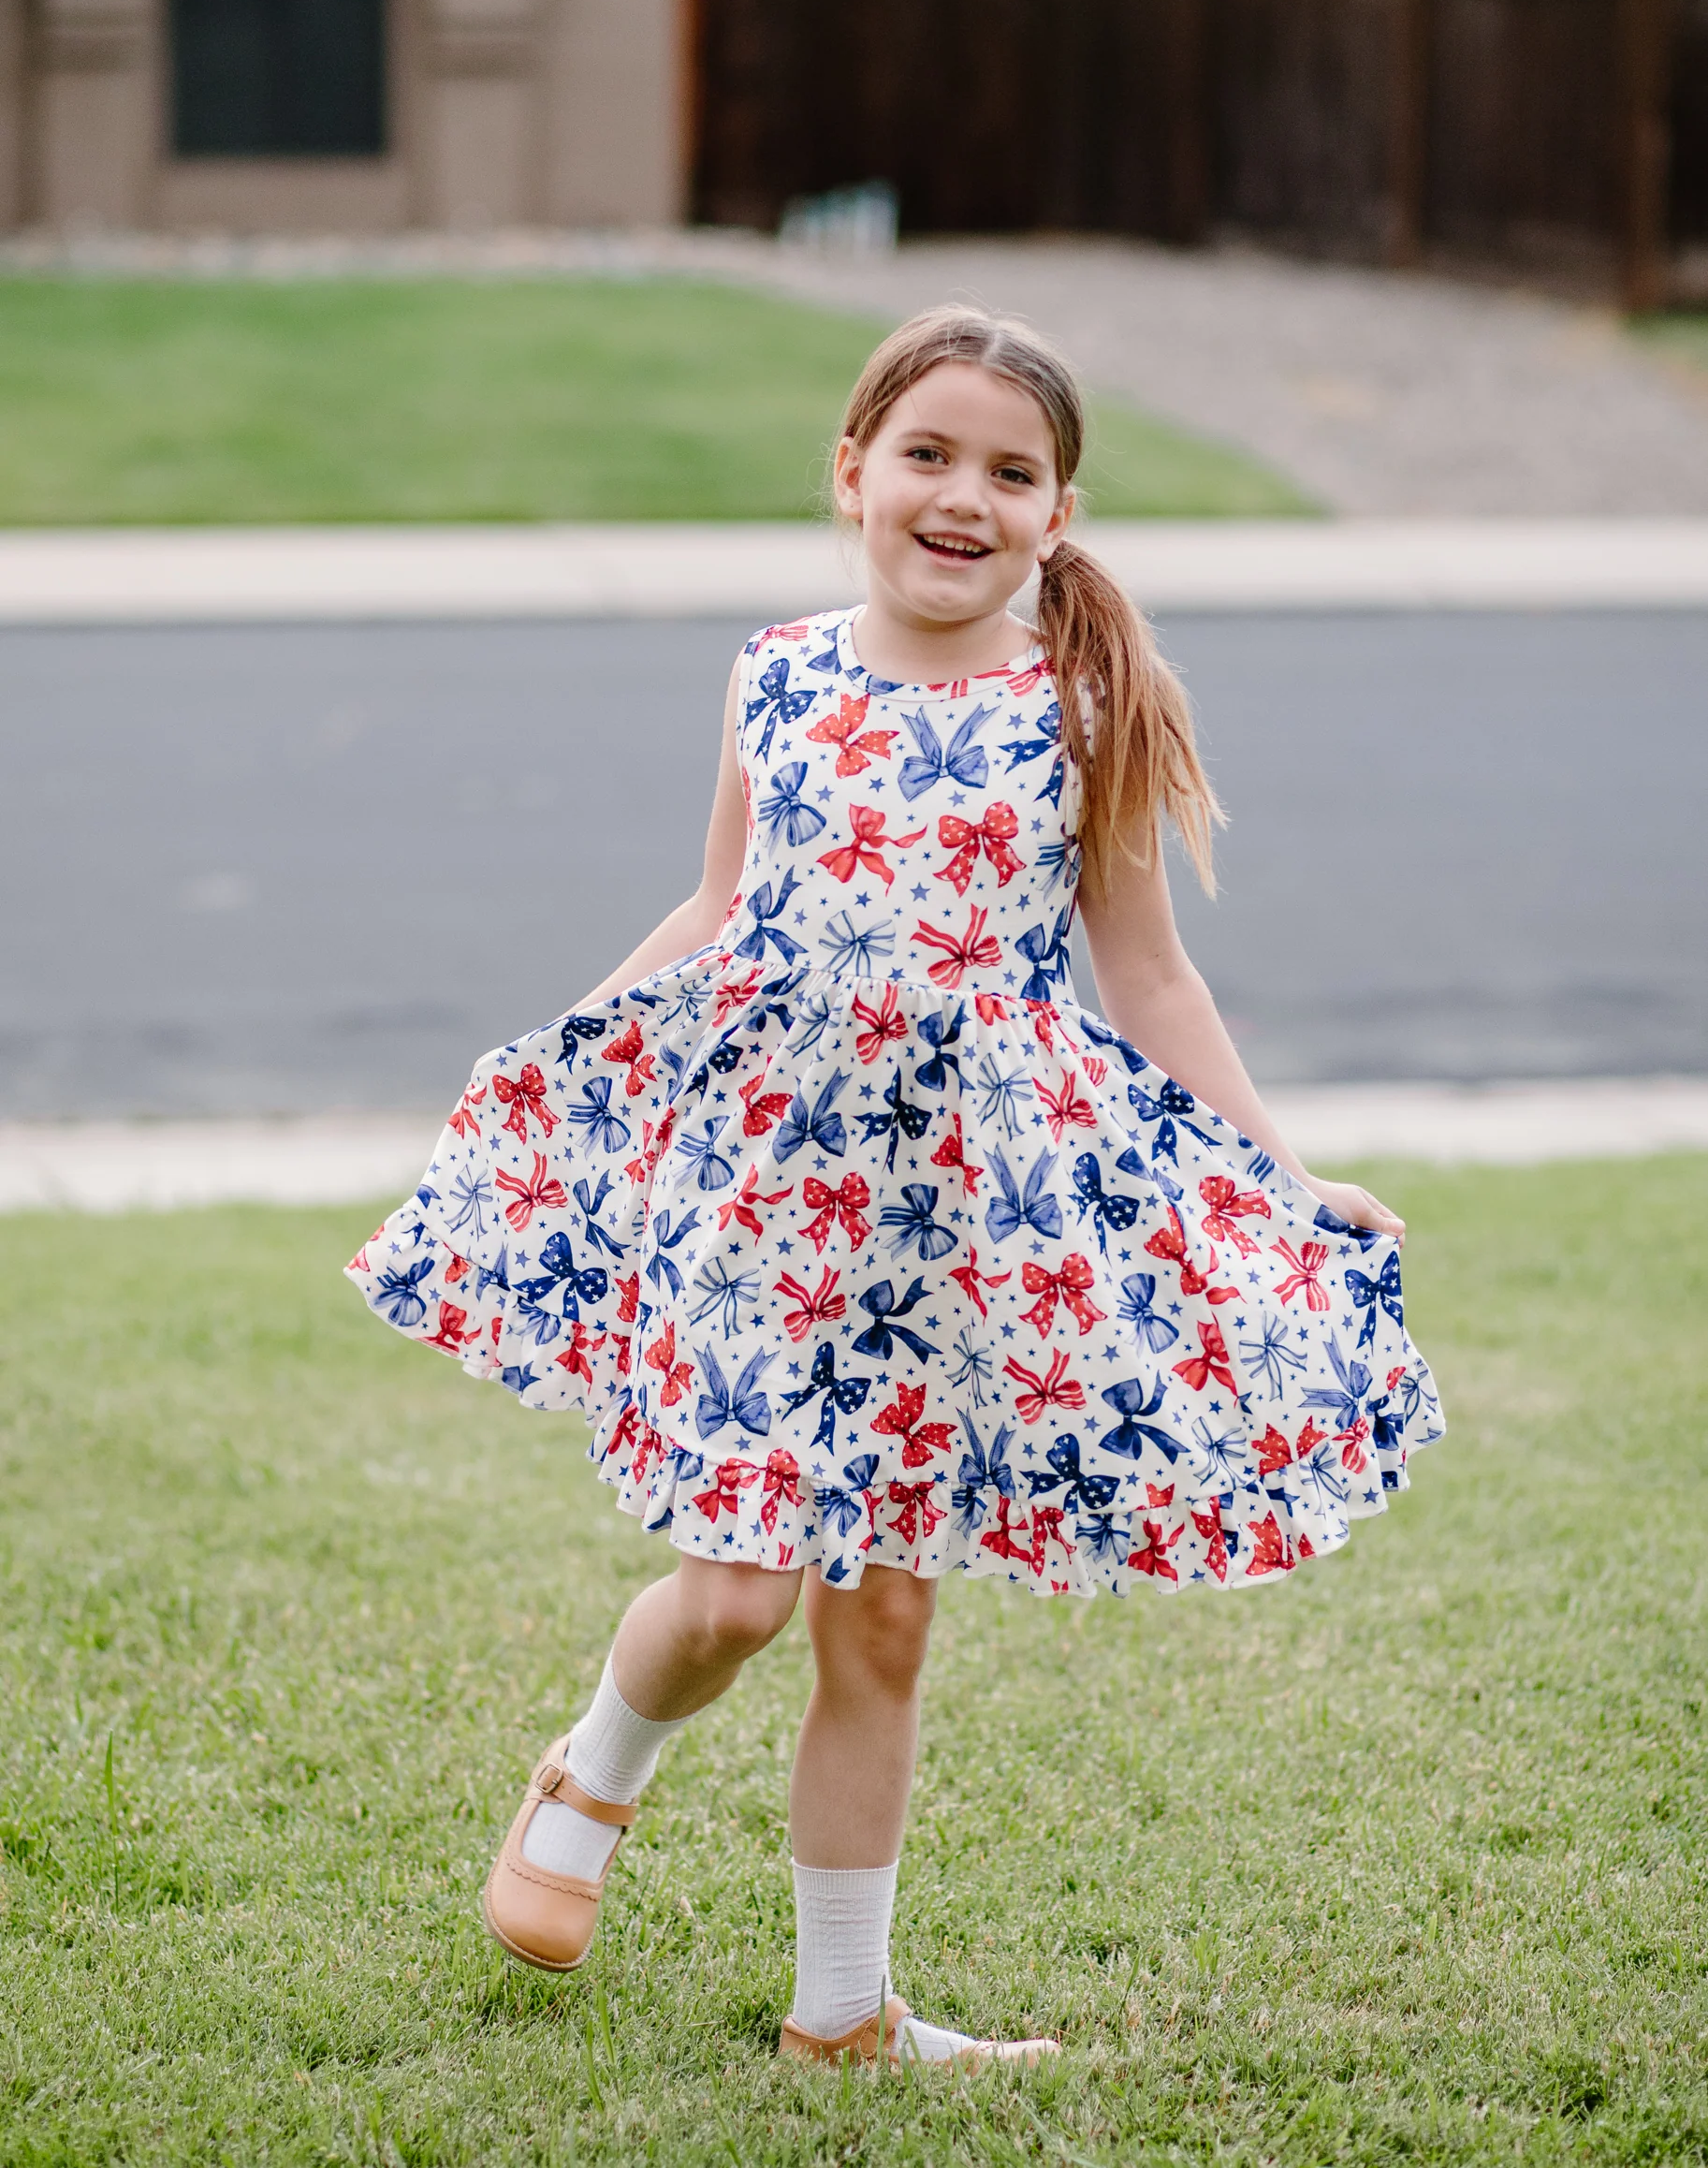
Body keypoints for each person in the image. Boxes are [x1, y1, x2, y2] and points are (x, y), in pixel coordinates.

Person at [348, 305, 1443, 2068]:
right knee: (734, 1594)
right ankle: (592, 1769)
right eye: (928, 453)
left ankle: (842, 2014)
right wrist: (576, 1046)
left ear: (1059, 512)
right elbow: (722, 904)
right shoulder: (774, 669)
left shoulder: (1083, 709)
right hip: (767, 1196)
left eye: (1012, 471)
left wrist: (1281, 1173)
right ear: (852, 470)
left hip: (957, 1220)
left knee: (886, 1618)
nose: (964, 495)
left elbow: (1149, 977)